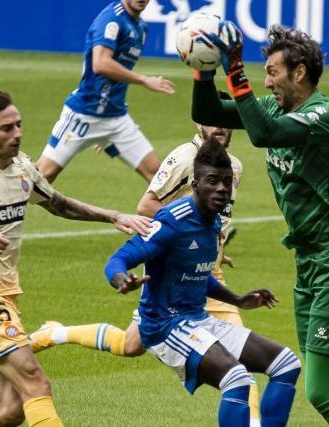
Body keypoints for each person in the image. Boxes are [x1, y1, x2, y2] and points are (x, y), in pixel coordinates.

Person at [0, 86, 152, 427]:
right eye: (7, 128)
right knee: (36, 384)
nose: (18, 134)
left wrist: (113, 215)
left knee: (9, 412)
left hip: (6, 294)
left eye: (19, 125)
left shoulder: (22, 167)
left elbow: (58, 203)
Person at [29, 92, 264, 426]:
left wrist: (214, 248)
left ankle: (56, 333)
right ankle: (55, 333)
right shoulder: (185, 158)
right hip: (173, 275)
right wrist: (187, 239)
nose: (220, 127)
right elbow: (146, 206)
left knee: (228, 365)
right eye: (213, 119)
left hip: (206, 276)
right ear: (199, 120)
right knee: (132, 345)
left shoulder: (233, 166)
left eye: (227, 120)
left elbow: (211, 219)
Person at [190, 24, 329, 426]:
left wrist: (235, 69)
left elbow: (263, 135)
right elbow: (206, 113)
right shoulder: (279, 108)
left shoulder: (324, 115)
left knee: (321, 391)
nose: (267, 81)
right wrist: (203, 69)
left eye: (273, 72)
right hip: (311, 264)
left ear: (299, 73)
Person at [110, 139, 300, 426]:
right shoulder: (172, 222)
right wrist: (122, 279)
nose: (222, 188)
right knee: (236, 379)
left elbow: (200, 273)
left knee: (286, 364)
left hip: (197, 320)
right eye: (212, 181)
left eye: (226, 181)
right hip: (164, 326)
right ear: (195, 183)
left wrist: (237, 299)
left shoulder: (213, 221)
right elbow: (118, 260)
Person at [35, 0, 175, 183]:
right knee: (41, 178)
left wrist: (104, 136)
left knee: (160, 178)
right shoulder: (111, 20)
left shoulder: (141, 28)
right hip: (83, 116)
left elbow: (117, 76)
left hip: (116, 119)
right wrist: (144, 80)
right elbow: (100, 64)